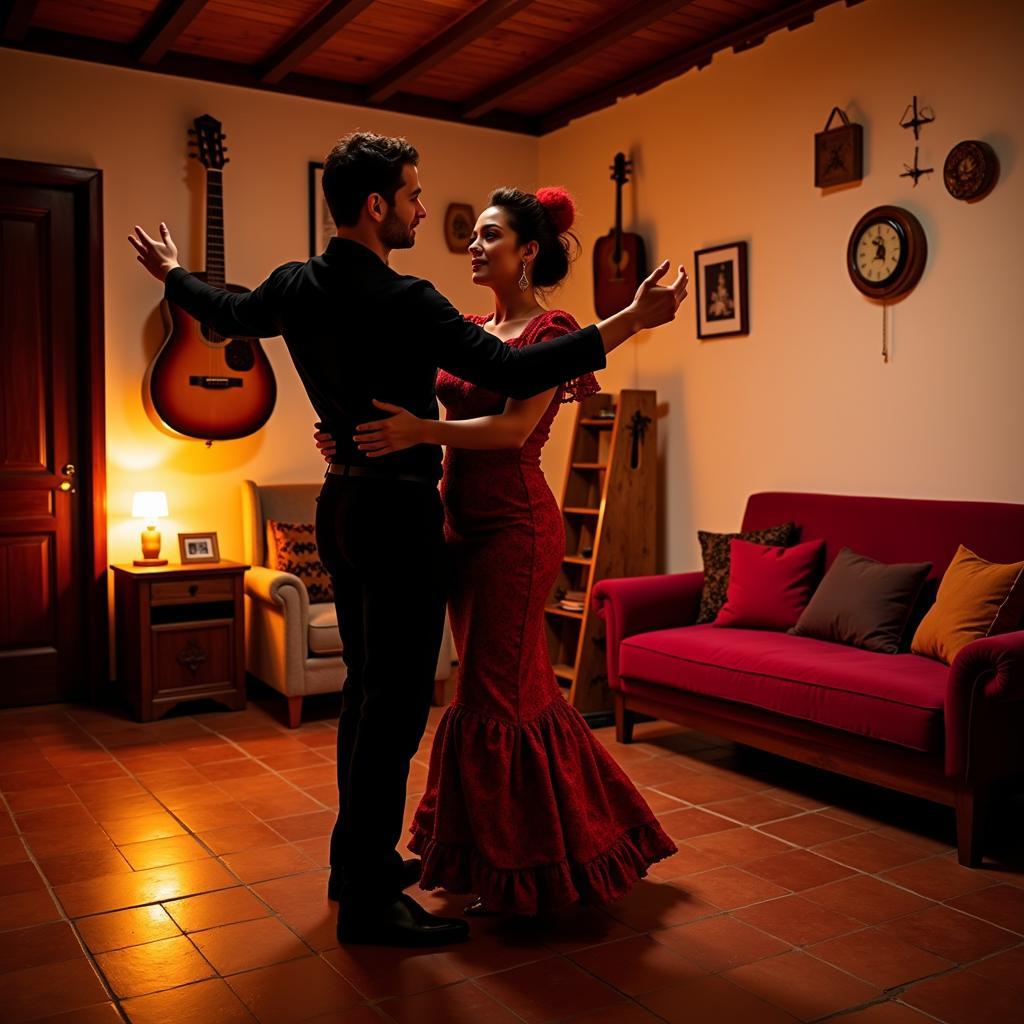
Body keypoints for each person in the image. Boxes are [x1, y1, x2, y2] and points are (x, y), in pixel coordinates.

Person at [128, 131, 688, 949]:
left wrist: (173, 272)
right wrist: (630, 320)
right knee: (393, 712)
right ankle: (367, 900)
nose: (430, 211)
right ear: (378, 205)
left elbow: (221, 310)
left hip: (342, 510)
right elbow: (527, 371)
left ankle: (354, 862)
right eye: (416, 196)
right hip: (401, 518)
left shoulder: (294, 285)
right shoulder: (410, 301)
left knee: (364, 696)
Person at [316, 185, 678, 916]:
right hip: (454, 524)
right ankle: (562, 839)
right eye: (473, 236)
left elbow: (514, 433)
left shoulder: (551, 331)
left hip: (516, 529)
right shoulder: (475, 327)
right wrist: (358, 438)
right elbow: (411, 404)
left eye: (488, 236)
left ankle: (524, 865)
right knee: (511, 693)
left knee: (495, 697)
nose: (474, 248)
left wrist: (424, 435)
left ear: (528, 250)